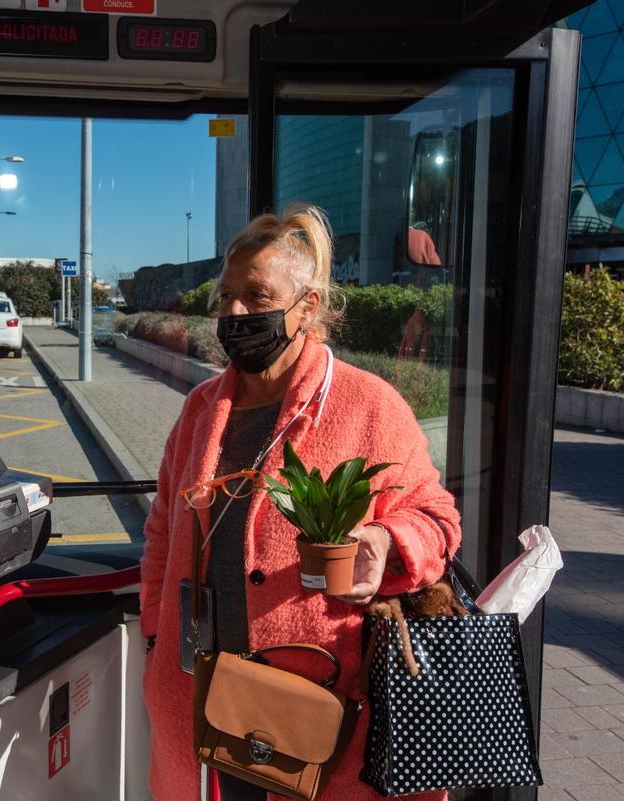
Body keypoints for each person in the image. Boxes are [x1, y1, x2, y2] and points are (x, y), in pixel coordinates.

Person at [139, 203, 462, 801]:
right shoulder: (200, 409)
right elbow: (162, 533)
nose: (235, 313)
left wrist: (388, 542)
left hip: (320, 715)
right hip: (200, 697)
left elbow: (437, 518)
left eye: (257, 296)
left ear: (307, 307)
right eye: (227, 295)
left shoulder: (369, 405)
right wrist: (156, 638)